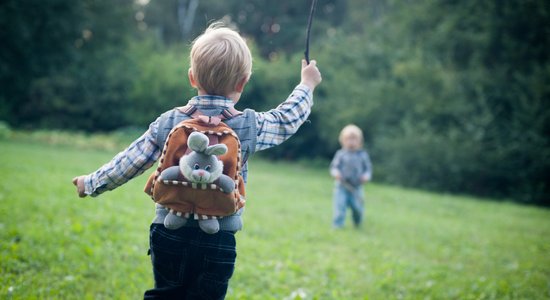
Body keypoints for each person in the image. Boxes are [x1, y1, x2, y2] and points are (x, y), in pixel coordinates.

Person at [72, 22, 322, 299]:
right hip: (218, 237)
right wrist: (306, 84)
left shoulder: (169, 121)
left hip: (168, 229)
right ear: (242, 82)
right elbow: (286, 118)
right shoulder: (249, 126)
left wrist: (91, 183)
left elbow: (131, 160)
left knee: (166, 293)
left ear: (192, 77)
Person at [329, 124, 372, 229]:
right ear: (343, 141)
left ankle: (357, 223)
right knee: (340, 207)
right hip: (342, 186)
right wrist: (336, 173)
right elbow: (334, 167)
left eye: (354, 139)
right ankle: (338, 226)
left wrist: (366, 176)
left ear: (359, 141)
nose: (351, 142)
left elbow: (368, 170)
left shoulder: (362, 155)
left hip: (356, 187)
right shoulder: (340, 154)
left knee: (357, 208)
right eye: (348, 139)